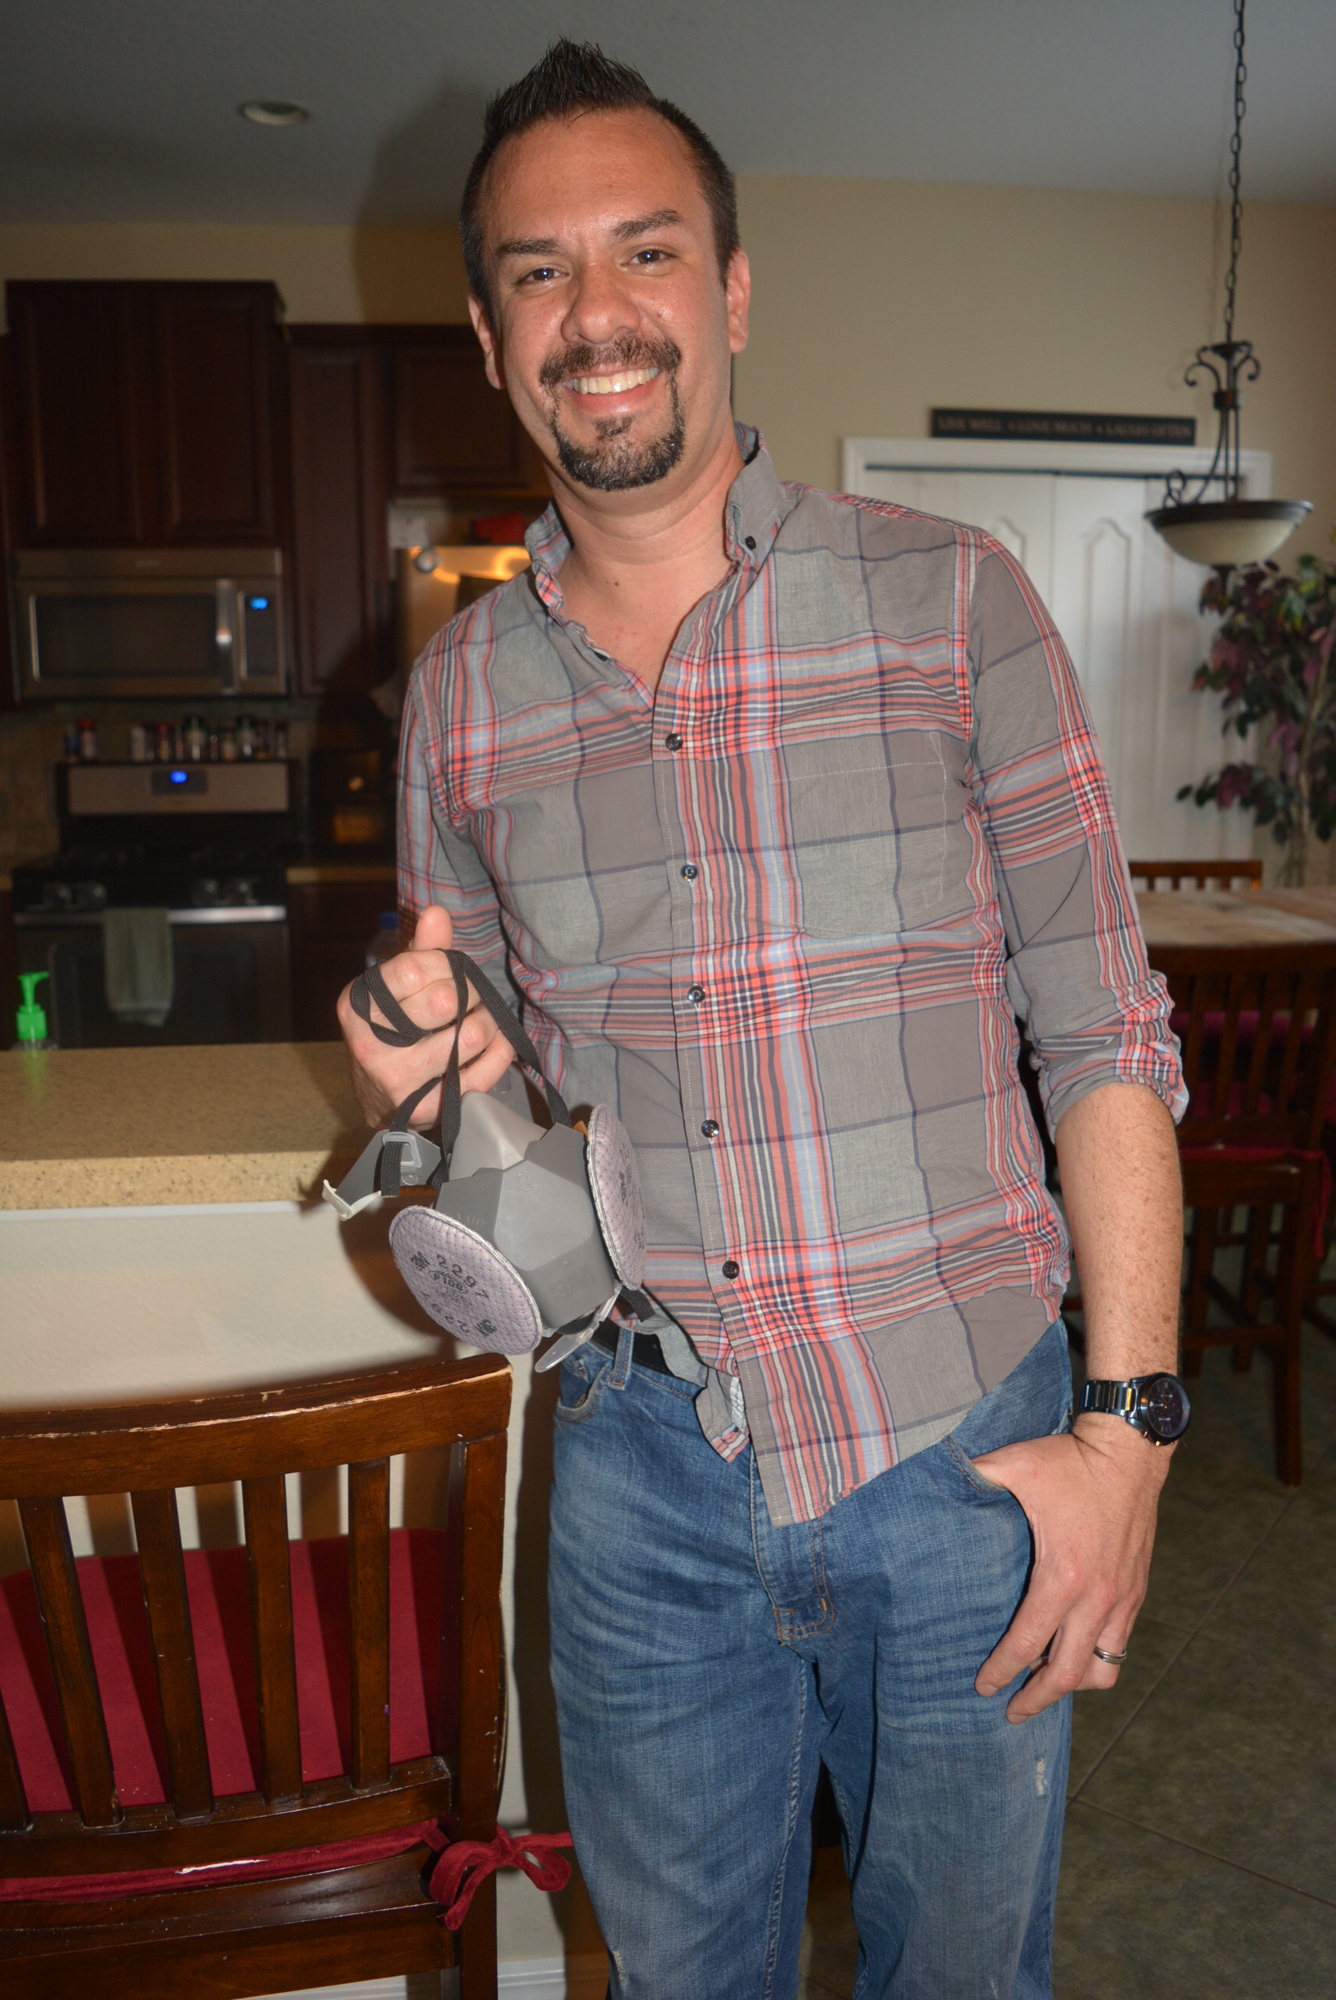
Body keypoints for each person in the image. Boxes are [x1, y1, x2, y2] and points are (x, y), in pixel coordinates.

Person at [339, 40, 1187, 2000]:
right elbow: (512, 1130)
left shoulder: (950, 602)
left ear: (728, 292)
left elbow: (1102, 1027)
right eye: (540, 273)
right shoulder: (456, 699)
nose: (597, 312)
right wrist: (440, 1085)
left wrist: (1125, 1438)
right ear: (485, 335)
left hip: (961, 1445)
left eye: (645, 252)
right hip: (638, 1471)